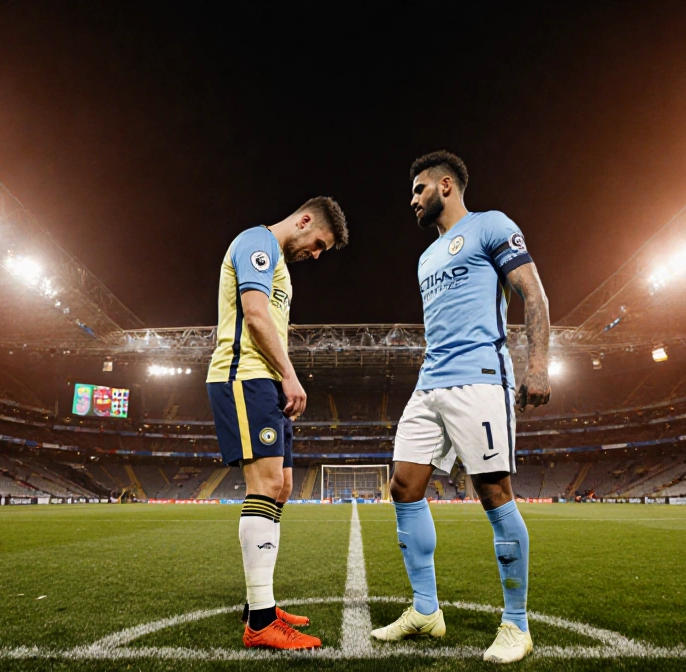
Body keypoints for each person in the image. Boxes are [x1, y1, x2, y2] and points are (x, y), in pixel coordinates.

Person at [371, 151, 551, 663]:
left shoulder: (491, 225)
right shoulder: (426, 257)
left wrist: (539, 365)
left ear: (445, 185)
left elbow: (532, 295)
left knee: (493, 492)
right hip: (431, 381)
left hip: (480, 378)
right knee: (404, 484)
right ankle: (426, 611)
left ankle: (516, 626)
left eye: (418, 189)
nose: (412, 199)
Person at [205, 196, 348, 650]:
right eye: (320, 243)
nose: (317, 254)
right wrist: (290, 374)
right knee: (265, 485)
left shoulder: (279, 268)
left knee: (282, 485)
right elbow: (255, 313)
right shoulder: (256, 242)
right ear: (304, 221)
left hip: (264, 381)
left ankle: (259, 601)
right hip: (245, 376)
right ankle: (261, 623)